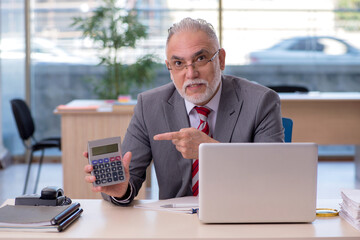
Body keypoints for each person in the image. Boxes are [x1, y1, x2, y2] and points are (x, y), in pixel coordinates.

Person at [84, 17, 284, 205]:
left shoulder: (261, 101)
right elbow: (130, 177)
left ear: (221, 59)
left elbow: (273, 177)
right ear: (169, 67)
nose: (191, 73)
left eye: (201, 58)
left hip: (241, 214)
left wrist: (212, 151)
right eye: (179, 63)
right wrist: (122, 190)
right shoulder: (149, 105)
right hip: (175, 223)